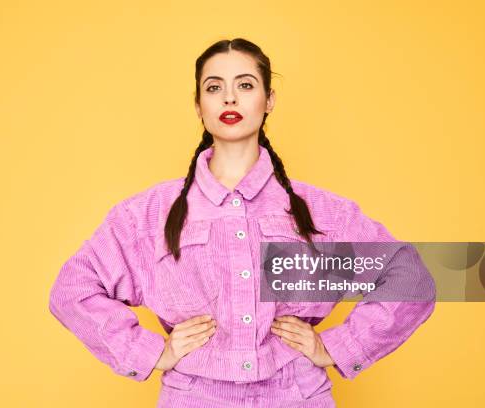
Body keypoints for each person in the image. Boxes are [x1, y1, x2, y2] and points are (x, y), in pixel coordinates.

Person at [48, 38, 436, 407]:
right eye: (214, 87)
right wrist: (150, 352)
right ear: (198, 105)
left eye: (245, 85)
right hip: (192, 397)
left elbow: (410, 277)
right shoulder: (148, 213)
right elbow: (72, 289)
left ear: (269, 100)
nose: (229, 97)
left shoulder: (321, 211)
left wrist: (338, 346)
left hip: (298, 395)